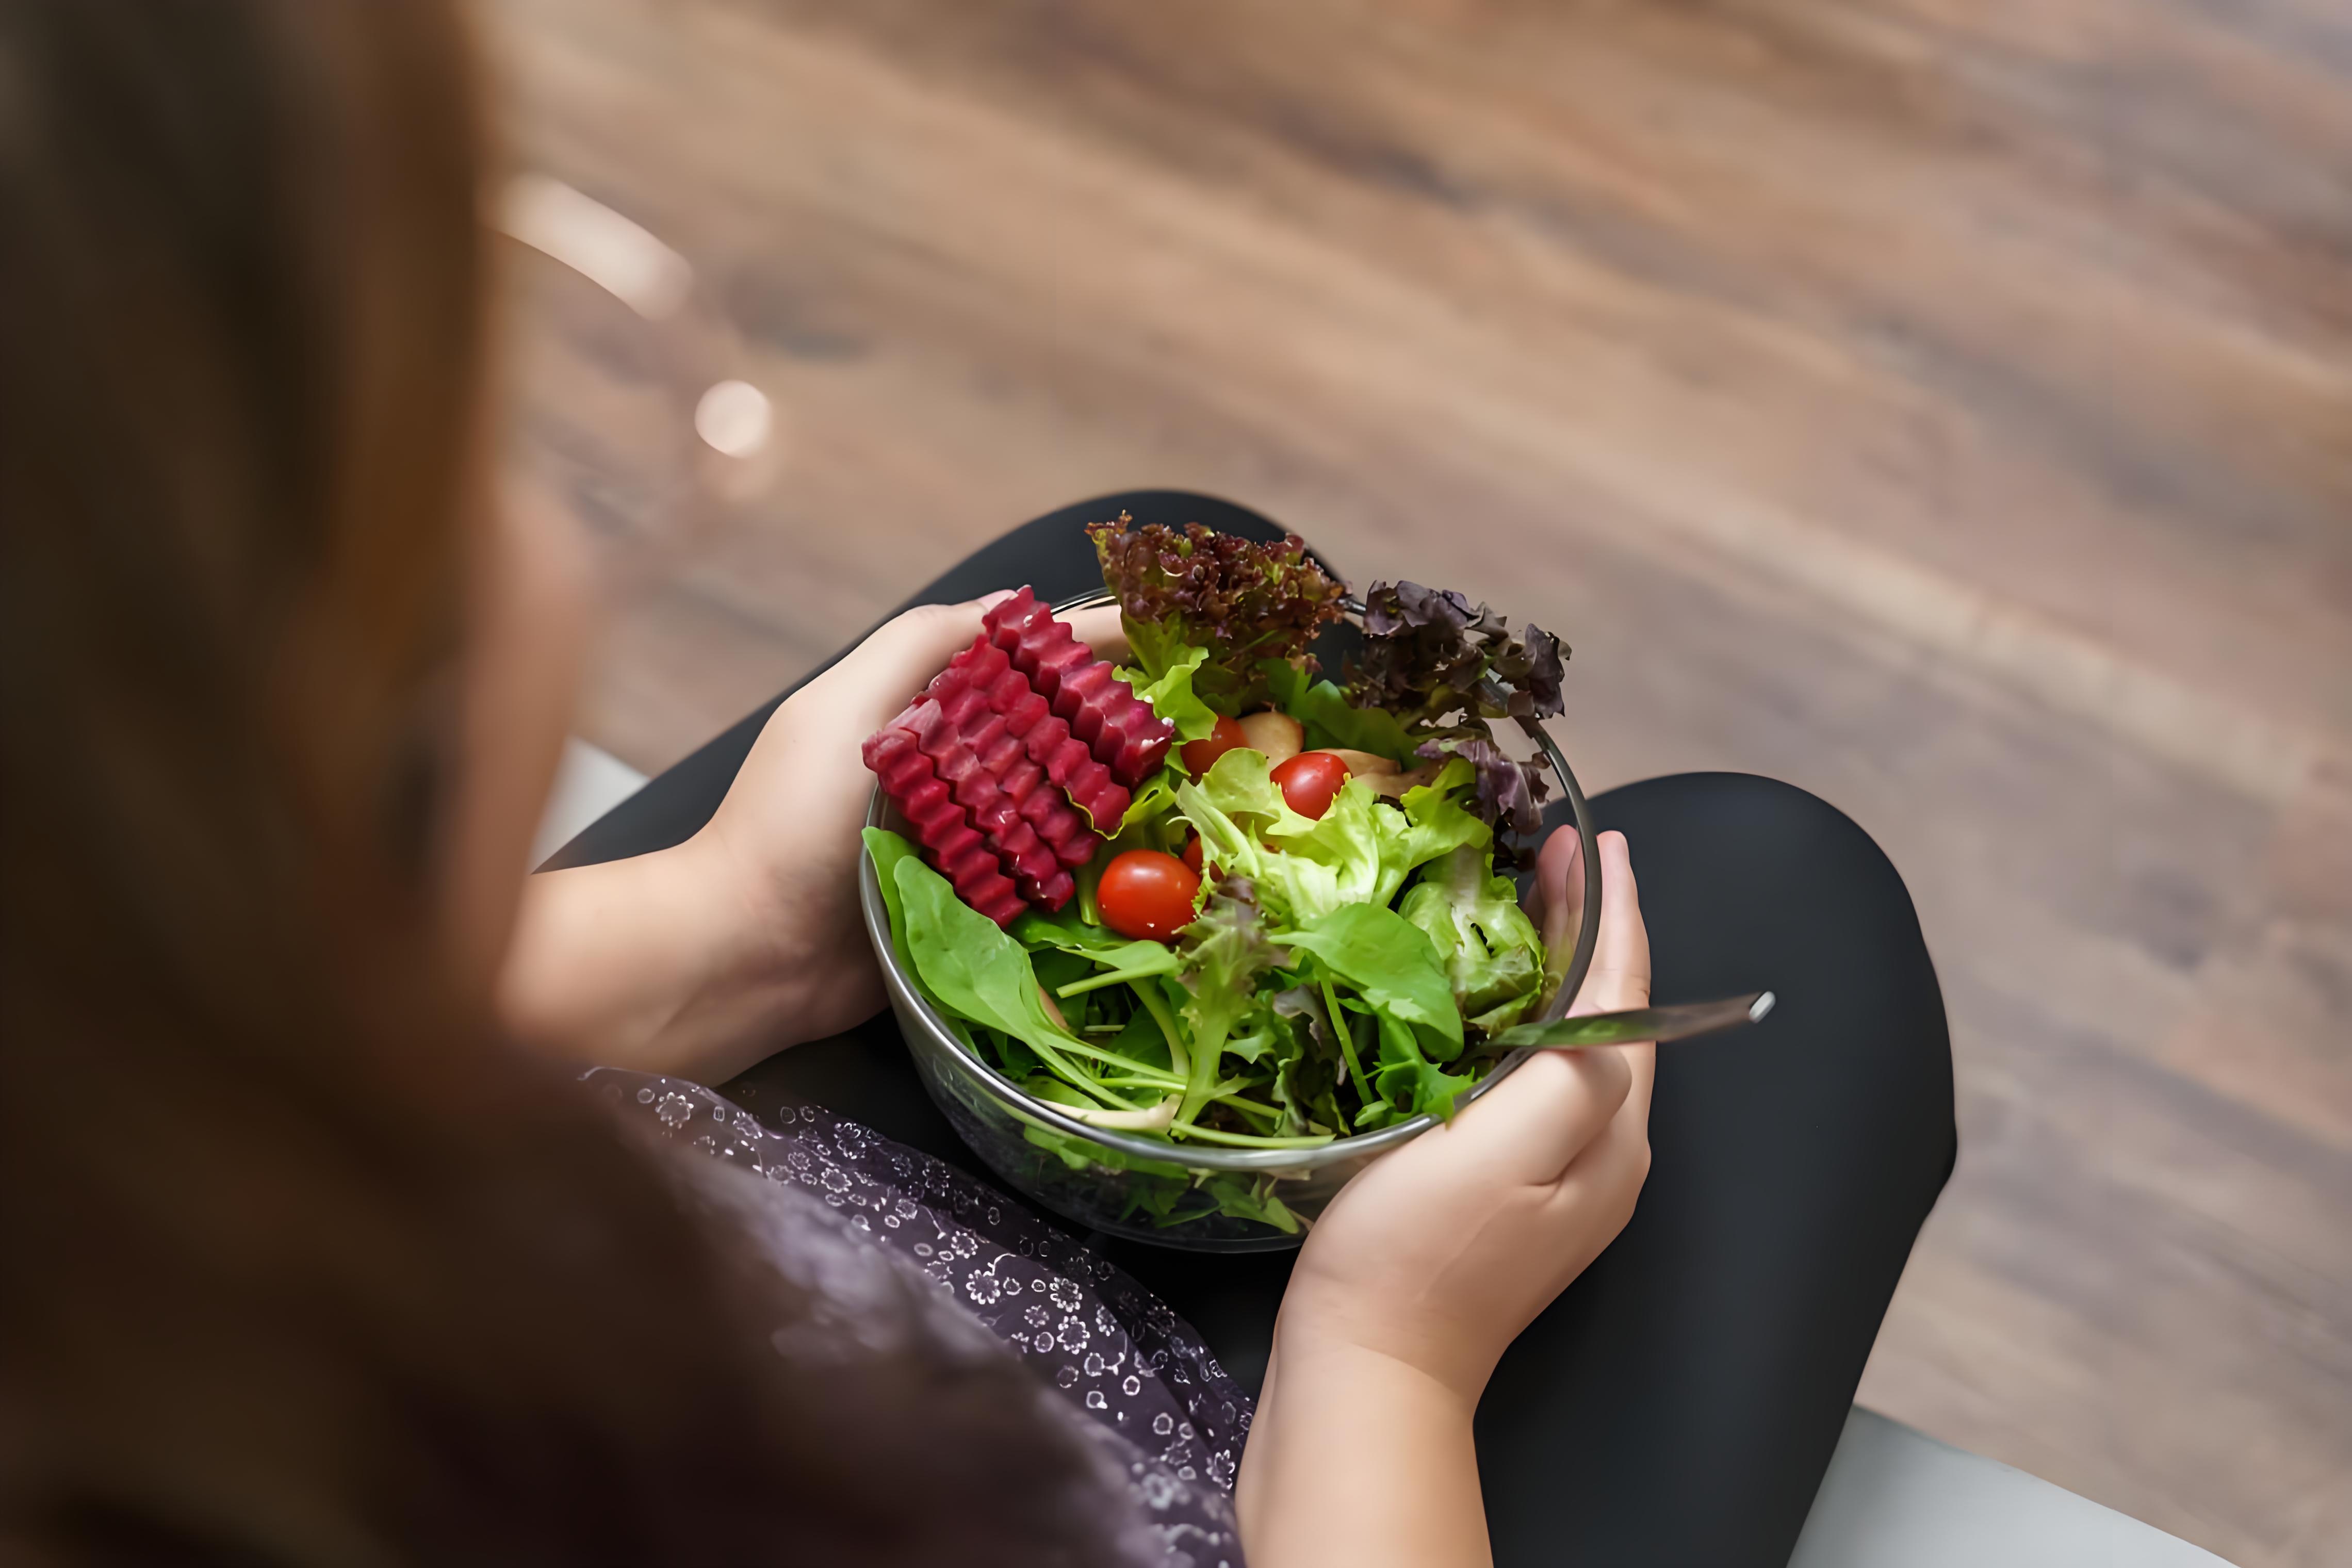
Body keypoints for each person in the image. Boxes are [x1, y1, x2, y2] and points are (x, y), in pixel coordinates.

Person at [0, 3, 1955, 1565]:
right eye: (460, 422)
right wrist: (1385, 1368)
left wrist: (725, 942)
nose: (528, 523)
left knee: (1159, 547)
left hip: (707, 1215)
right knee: (1786, 900)